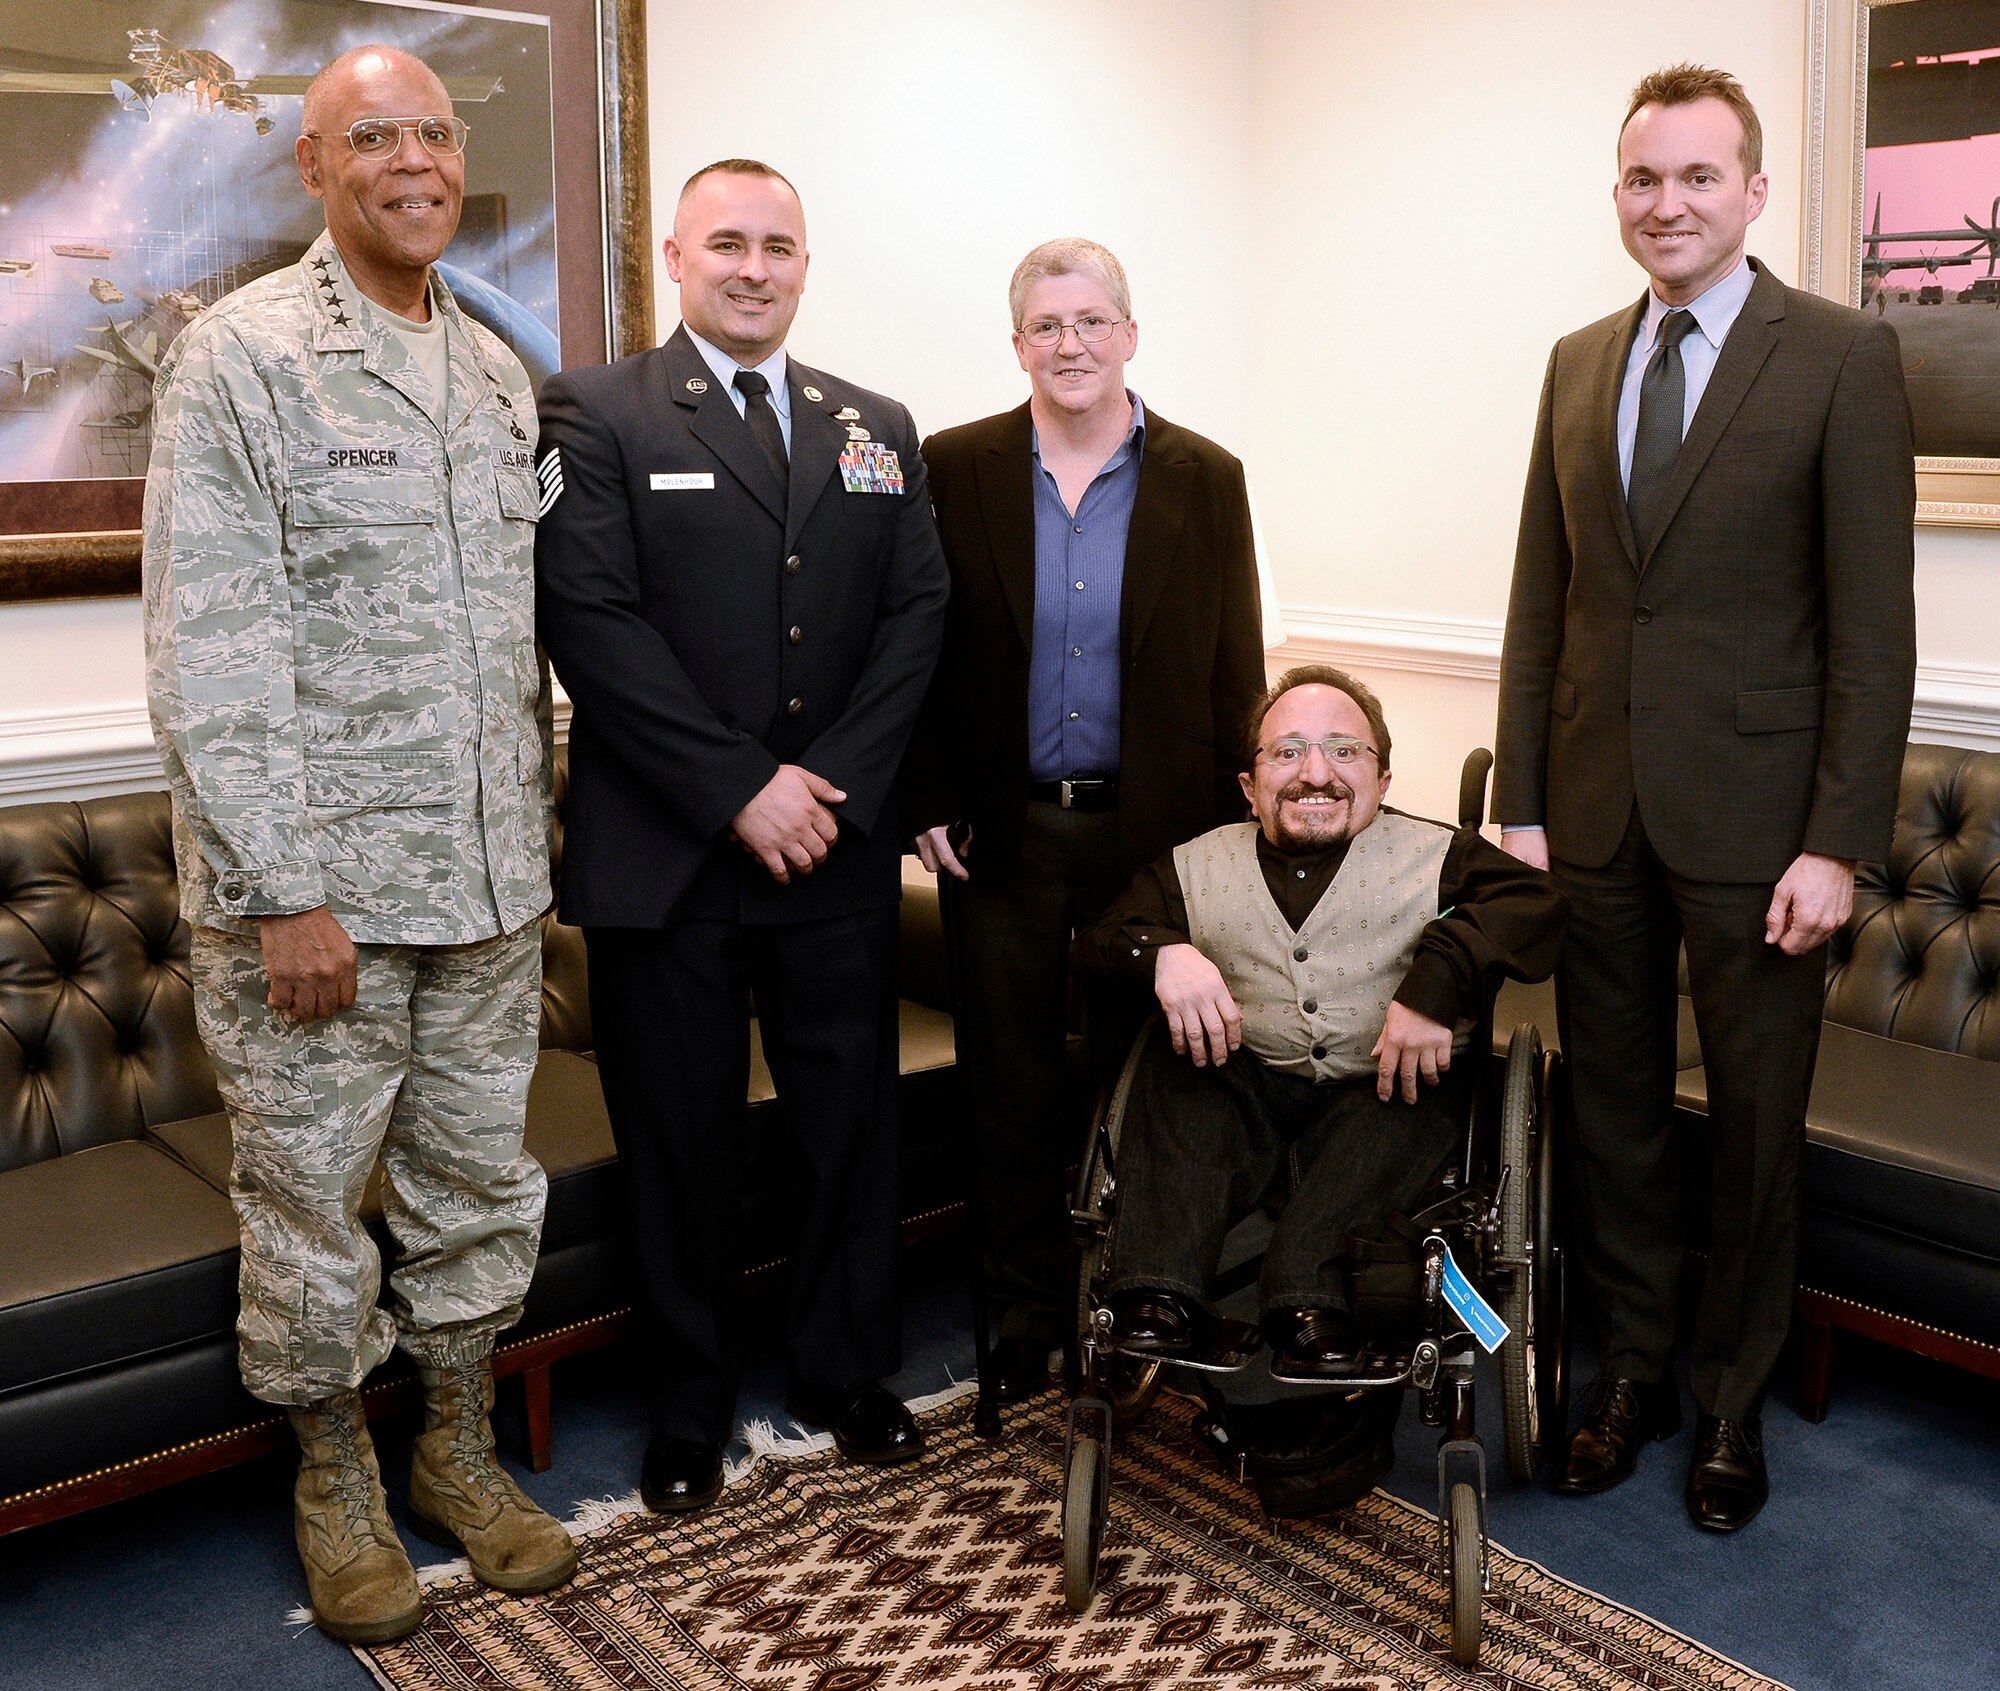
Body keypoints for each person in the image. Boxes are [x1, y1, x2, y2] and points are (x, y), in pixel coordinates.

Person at [142, 45, 574, 1645]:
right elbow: (214, 650)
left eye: (435, 136)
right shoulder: (243, 358)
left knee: (475, 1188)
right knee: (311, 1200)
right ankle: (334, 1476)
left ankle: (455, 1446)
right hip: (317, 903)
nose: (414, 161)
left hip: (483, 887)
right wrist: (284, 891)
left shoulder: (490, 372)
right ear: (313, 167)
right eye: (372, 136)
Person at [1494, 63, 1916, 1530]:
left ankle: (1731, 1408)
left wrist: (1839, 842)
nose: (1664, 204)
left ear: (1750, 191)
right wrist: (1524, 800)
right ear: (1617, 193)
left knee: (1751, 1128)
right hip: (1594, 813)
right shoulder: (1571, 360)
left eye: (1693, 178)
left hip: (1762, 831)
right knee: (1608, 1114)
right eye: (1639, 179)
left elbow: (1874, 630)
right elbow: (1541, 595)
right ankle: (1635, 1378)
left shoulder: (1843, 357)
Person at [532, 160, 949, 1515]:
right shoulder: (590, 411)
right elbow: (589, 618)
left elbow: (916, 617)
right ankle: (689, 1409)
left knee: (849, 1132)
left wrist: (823, 783)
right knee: (682, 1144)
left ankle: (845, 1373)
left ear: (805, 263)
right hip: (671, 856)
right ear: (676, 255)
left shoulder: (872, 422)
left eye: (778, 244)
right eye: (728, 242)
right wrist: (738, 789)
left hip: (832, 847)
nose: (753, 266)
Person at [902, 238, 1266, 1400]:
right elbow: (912, 650)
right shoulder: (952, 466)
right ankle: (1018, 1319)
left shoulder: (1205, 477)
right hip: (999, 835)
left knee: (1136, 1081)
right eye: (1046, 326)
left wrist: (1221, 851)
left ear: (1129, 333)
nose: (1070, 344)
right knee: (1006, 1086)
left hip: (1146, 842)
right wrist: (927, 795)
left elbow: (1233, 674)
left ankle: (1123, 1306)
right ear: (1018, 345)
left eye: (1090, 321)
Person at [1071, 668, 1564, 1367]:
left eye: (1343, 750)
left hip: (1385, 1089)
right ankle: (1158, 1291)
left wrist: (1438, 979)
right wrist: (1160, 955)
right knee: (1176, 1066)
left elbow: (1536, 907)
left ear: (1382, 779)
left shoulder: (1436, 855)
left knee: (1401, 1111)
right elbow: (1100, 940)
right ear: (1250, 786)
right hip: (1244, 1081)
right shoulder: (1194, 864)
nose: (1316, 773)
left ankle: (1310, 1298)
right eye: (1287, 751)